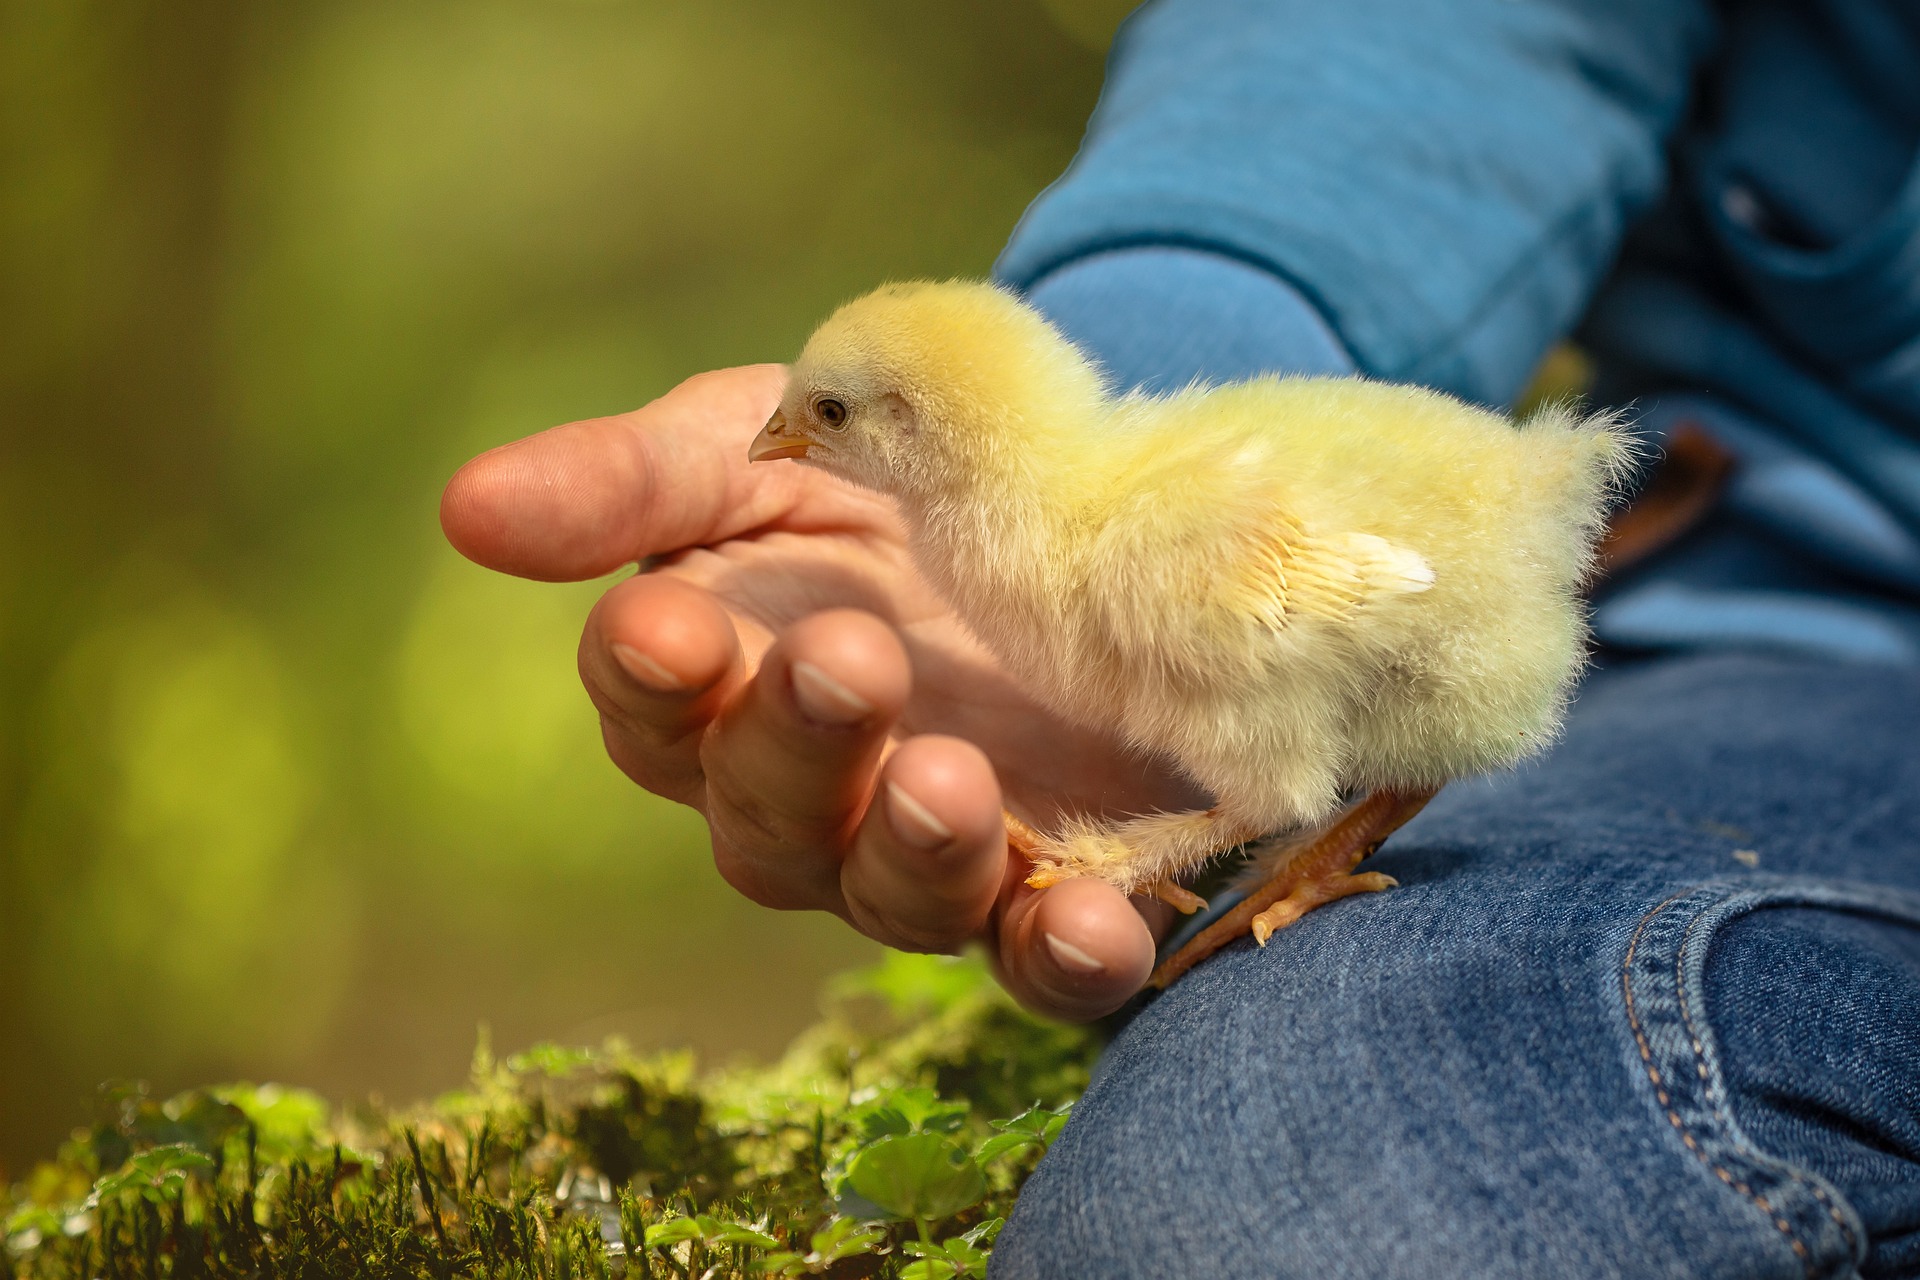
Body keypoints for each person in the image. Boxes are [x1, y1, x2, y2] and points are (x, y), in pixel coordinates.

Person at [441, 0, 1920, 1273]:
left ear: (922, 430)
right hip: (1796, 628)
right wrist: (1176, 312)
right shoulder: (1057, 513)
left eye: (826, 419)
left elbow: (1354, 580)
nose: (792, 437)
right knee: (1281, 1183)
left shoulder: (1121, 534)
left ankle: (1272, 849)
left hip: (1453, 594)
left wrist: (1175, 839)